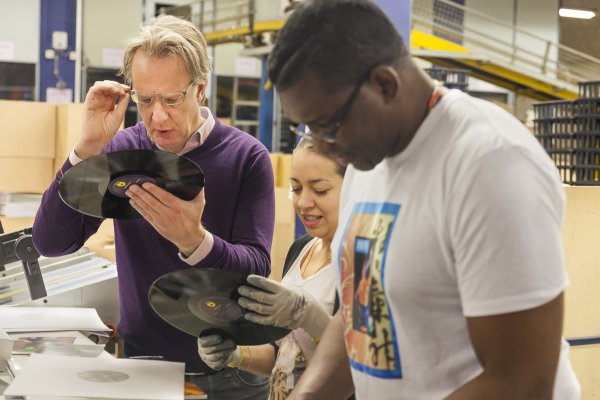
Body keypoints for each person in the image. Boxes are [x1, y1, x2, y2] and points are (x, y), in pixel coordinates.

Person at [266, 1, 581, 399]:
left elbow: (522, 380)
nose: (327, 148)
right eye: (310, 129)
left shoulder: (490, 162)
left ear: (385, 84)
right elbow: (358, 318)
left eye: (330, 126)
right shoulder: (367, 159)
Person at [32, 15, 274, 400]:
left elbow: (257, 271)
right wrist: (87, 151)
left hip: (229, 372)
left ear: (200, 89)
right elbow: (51, 242)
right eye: (145, 100)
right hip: (142, 363)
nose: (157, 117)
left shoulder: (246, 157)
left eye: (172, 99)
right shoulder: (121, 151)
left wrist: (195, 241)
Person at [197, 138, 348, 399]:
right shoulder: (300, 250)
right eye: (296, 189)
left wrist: (309, 315)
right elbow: (285, 357)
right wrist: (237, 355)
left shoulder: (359, 268)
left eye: (320, 190)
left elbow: (359, 368)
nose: (303, 203)